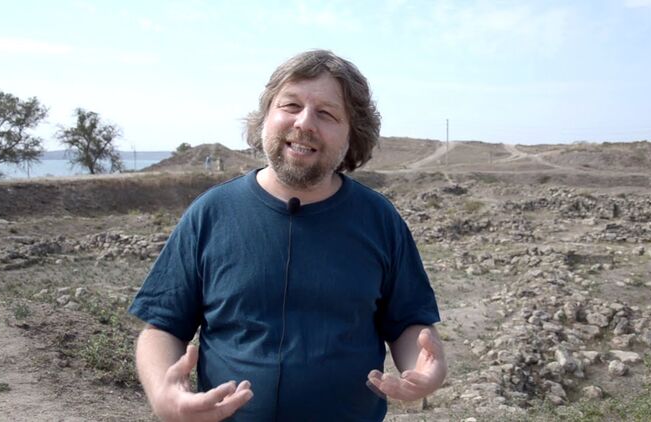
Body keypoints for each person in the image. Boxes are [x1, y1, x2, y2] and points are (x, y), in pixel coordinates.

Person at [129, 49, 446, 422]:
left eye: (326, 113)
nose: (304, 122)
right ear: (266, 116)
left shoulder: (380, 220)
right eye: (291, 105)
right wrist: (163, 394)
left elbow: (409, 323)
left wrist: (423, 370)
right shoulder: (211, 213)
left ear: (352, 134)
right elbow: (162, 326)